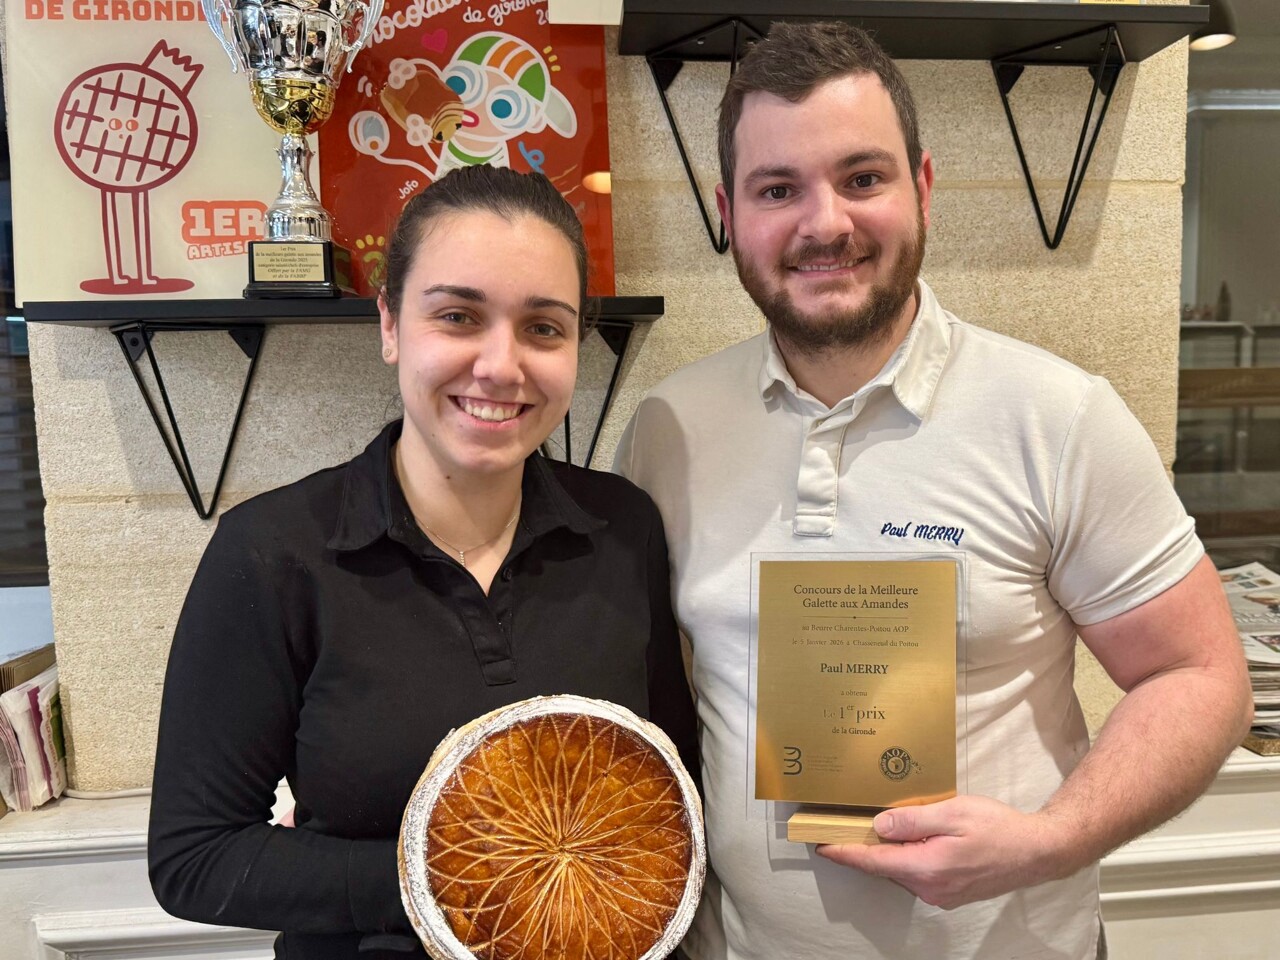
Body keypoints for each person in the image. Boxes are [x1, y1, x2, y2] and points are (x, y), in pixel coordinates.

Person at [614, 21, 1252, 960]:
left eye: (861, 178)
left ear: (921, 186)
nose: (824, 223)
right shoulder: (668, 428)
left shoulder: (1059, 416)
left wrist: (1053, 839)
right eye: (777, 189)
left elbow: (1201, 677)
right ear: (728, 212)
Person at [148, 165, 699, 960]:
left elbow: (667, 798)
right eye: (458, 317)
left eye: (544, 327)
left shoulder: (624, 528)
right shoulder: (273, 552)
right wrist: (456, 882)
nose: (501, 365)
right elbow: (195, 857)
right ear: (390, 325)